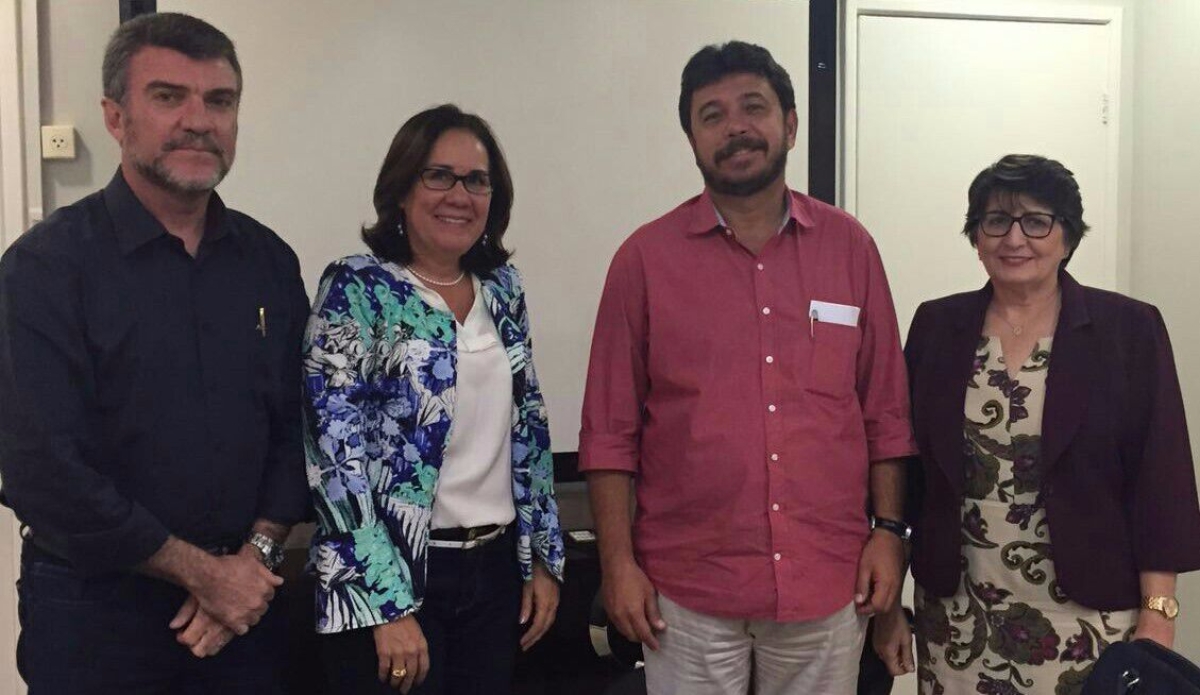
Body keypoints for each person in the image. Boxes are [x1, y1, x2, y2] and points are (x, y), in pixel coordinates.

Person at [579, 41, 917, 694]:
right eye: (711, 115)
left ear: (790, 124)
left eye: (752, 107)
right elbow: (609, 431)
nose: (735, 126)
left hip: (829, 574)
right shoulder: (643, 261)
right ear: (693, 141)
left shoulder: (851, 248)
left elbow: (885, 413)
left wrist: (891, 534)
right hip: (687, 585)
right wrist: (617, 563)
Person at [0, 12, 310, 694]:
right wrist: (205, 575)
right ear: (115, 117)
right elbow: (40, 469)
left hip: (246, 614)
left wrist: (250, 564)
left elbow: (297, 430)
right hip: (92, 614)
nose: (199, 120)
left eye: (219, 101)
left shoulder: (268, 262)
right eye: (169, 97)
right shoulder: (44, 270)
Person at [873, 154, 1200, 694]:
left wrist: (1159, 611)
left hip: (1088, 618)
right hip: (957, 612)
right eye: (995, 220)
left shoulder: (1128, 329)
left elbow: (1159, 477)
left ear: (1067, 237)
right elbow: (912, 474)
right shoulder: (938, 326)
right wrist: (891, 609)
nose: (1014, 238)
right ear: (976, 237)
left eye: (1036, 220)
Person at [304, 104, 566, 694]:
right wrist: (387, 604)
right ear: (401, 189)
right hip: (394, 574)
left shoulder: (503, 289)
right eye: (439, 175)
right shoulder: (357, 288)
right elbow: (333, 459)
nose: (459, 194)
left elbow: (530, 423)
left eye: (476, 180)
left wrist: (543, 558)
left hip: (495, 572)